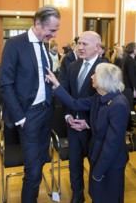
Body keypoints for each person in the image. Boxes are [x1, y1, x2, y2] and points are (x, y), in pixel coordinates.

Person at [0, 5, 61, 203]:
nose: (53, 35)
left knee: (40, 163)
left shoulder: (43, 45)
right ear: (37, 23)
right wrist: (21, 117)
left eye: (55, 31)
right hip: (28, 117)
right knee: (33, 172)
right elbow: (6, 84)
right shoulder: (15, 44)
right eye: (51, 30)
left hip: (46, 113)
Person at [46, 63, 130, 203]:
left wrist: (98, 172)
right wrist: (57, 84)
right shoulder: (100, 97)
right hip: (97, 157)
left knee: (108, 198)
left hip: (110, 164)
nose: (92, 76)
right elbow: (75, 104)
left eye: (95, 74)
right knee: (97, 197)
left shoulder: (118, 104)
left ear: (104, 80)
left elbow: (112, 145)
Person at [59, 31, 103, 203]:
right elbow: (67, 94)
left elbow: (104, 103)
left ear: (97, 47)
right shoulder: (73, 66)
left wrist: (88, 123)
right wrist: (68, 115)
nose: (80, 47)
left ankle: (96, 196)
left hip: (93, 128)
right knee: (74, 165)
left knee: (95, 166)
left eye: (85, 44)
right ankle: (77, 195)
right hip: (73, 126)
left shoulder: (105, 68)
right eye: (79, 43)